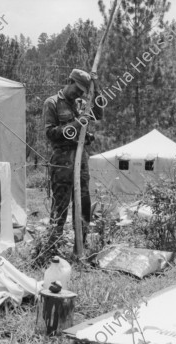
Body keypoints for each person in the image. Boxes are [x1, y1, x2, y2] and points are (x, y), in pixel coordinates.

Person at [42, 69, 103, 255]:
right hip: (62, 163)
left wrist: (97, 89)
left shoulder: (82, 104)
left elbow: (98, 114)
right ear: (68, 81)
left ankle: (80, 249)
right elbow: (51, 133)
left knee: (83, 206)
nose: (79, 94)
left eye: (82, 92)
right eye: (77, 89)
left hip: (80, 161)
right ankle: (52, 250)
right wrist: (77, 124)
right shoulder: (52, 103)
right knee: (59, 209)